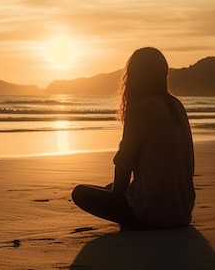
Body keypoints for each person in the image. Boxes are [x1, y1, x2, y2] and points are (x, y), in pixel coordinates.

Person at [72, 47, 195, 229]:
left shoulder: (140, 107)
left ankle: (136, 217)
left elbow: (125, 162)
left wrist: (117, 195)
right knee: (109, 187)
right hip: (182, 211)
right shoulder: (176, 105)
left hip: (151, 212)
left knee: (80, 193)